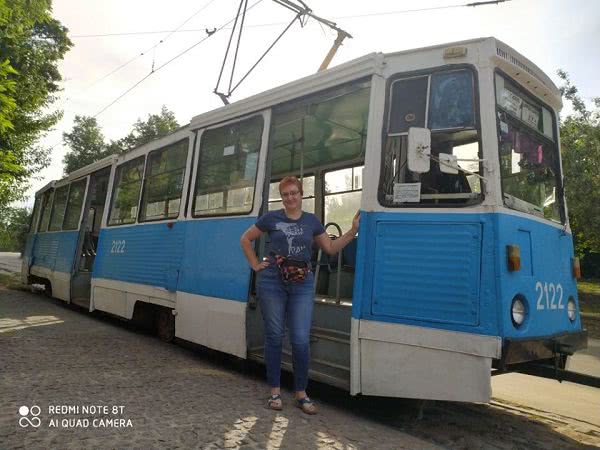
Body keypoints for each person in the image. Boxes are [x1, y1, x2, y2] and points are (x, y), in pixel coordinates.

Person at [240, 176, 359, 415]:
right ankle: (274, 391)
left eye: (294, 193)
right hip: (273, 281)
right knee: (274, 336)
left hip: (302, 283)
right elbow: (245, 239)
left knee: (300, 339)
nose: (290, 198)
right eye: (285, 194)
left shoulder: (312, 222)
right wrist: (255, 264)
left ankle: (301, 393)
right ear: (282, 197)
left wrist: (352, 231)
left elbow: (331, 248)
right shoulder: (271, 218)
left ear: (301, 194)